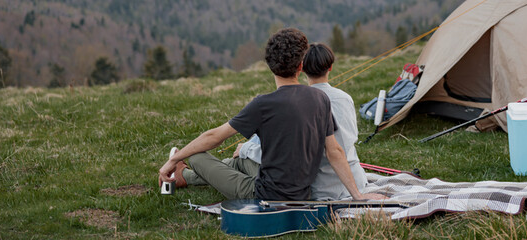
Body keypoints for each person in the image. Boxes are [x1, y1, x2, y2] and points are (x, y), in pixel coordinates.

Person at [158, 28, 385, 201]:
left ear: (269, 65)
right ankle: (183, 177)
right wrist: (358, 195)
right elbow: (334, 151)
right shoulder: (320, 99)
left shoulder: (263, 104)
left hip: (264, 195)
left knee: (197, 156)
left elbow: (213, 137)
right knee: (240, 161)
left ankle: (181, 171)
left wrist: (174, 159)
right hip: (303, 193)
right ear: (301, 66)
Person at [235, 43, 367, 200]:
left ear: (301, 68)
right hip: (356, 180)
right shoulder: (346, 98)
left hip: (322, 188)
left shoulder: (303, 104)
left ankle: (204, 168)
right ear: (330, 67)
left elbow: (282, 157)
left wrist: (247, 150)